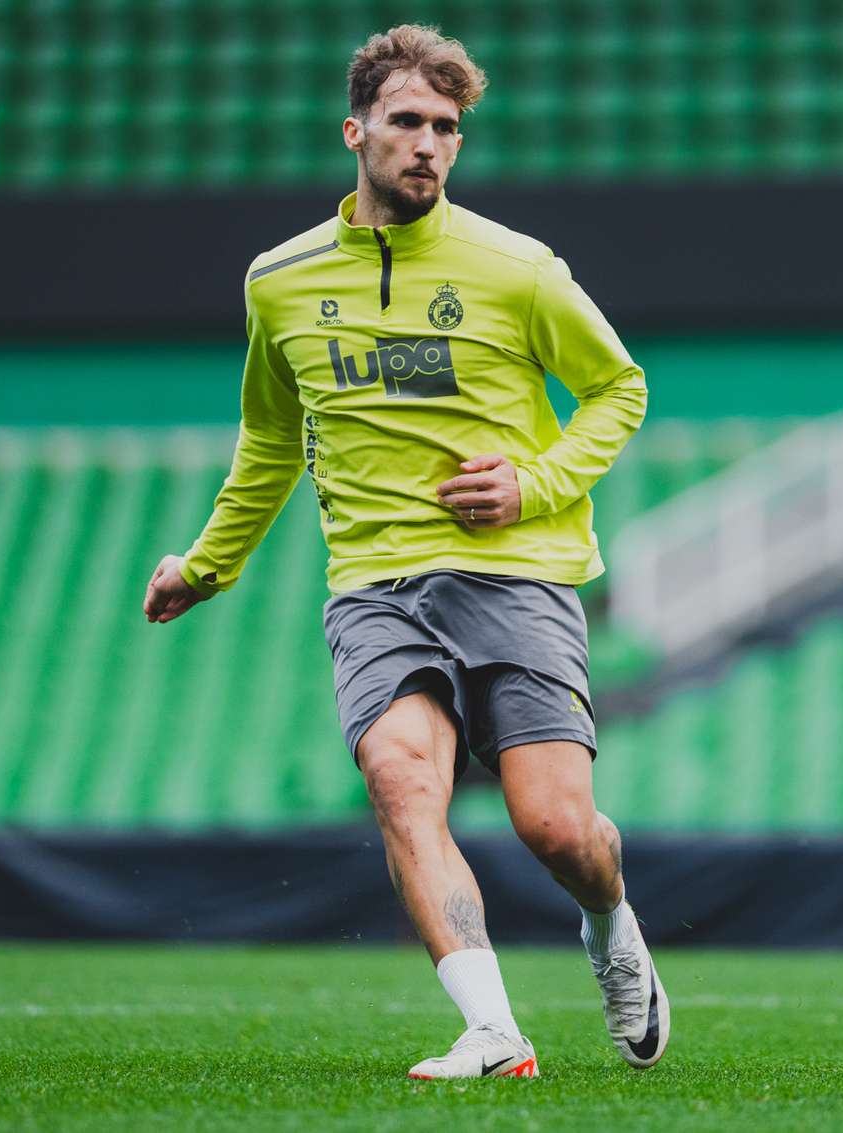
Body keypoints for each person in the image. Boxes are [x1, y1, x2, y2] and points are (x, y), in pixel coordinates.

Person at [141, 24, 663, 1080]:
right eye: (407, 121)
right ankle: (493, 1028)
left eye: (447, 128)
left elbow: (619, 388)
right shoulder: (279, 281)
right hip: (374, 584)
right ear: (356, 131)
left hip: (517, 570)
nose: (428, 144)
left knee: (556, 828)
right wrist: (207, 563)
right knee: (398, 778)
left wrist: (535, 481)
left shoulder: (518, 269)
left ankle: (610, 925)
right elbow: (271, 441)